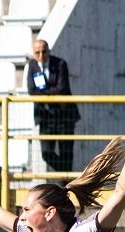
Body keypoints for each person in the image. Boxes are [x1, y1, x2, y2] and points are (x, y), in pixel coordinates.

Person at [27, 39, 80, 173]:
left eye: (44, 52)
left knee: (66, 156)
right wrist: (51, 92)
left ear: (49, 51)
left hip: (64, 115)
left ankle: (66, 187)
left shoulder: (60, 64)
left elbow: (62, 89)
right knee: (46, 153)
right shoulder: (32, 65)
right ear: (33, 53)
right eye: (37, 52)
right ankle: (68, 175)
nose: (41, 55)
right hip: (45, 117)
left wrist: (43, 93)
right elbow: (31, 91)